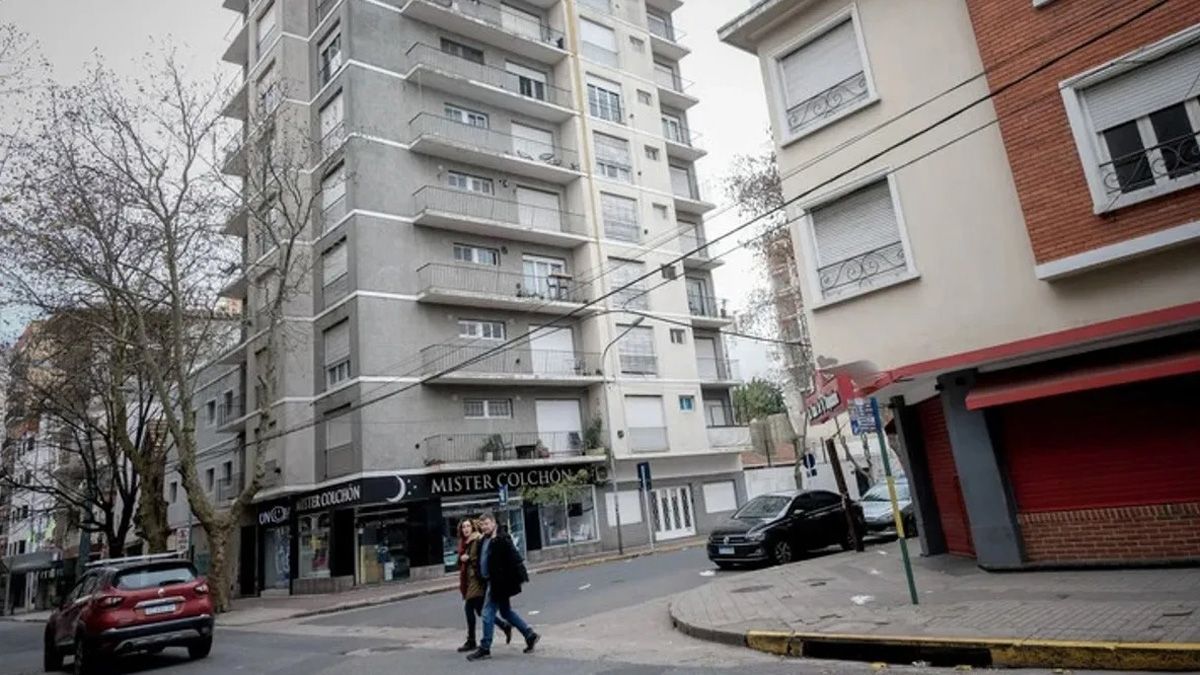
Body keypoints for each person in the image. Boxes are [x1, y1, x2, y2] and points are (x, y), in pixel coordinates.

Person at [466, 512, 540, 661]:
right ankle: (529, 634)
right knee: (506, 612)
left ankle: (485, 648)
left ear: (494, 523)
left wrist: (517, 578)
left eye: (487, 524)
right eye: (482, 525)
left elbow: (515, 559)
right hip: (489, 582)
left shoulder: (502, 539)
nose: (484, 527)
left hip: (498, 583)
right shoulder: (484, 540)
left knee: (487, 613)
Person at [456, 518, 510, 653]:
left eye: (468, 526)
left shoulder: (476, 539)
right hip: (469, 580)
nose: (466, 529)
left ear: (473, 527)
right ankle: (503, 626)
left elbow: (480, 558)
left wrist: (469, 558)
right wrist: (462, 559)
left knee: (470, 609)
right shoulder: (464, 542)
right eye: (463, 527)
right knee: (480, 610)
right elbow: (460, 561)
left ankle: (473, 641)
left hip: (476, 579)